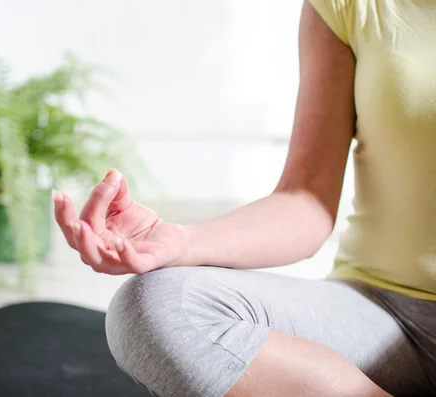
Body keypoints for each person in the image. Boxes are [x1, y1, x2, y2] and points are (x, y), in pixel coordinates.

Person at [53, 0, 436, 396]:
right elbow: (306, 199)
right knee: (159, 305)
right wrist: (179, 241)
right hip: (377, 312)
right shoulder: (347, 6)